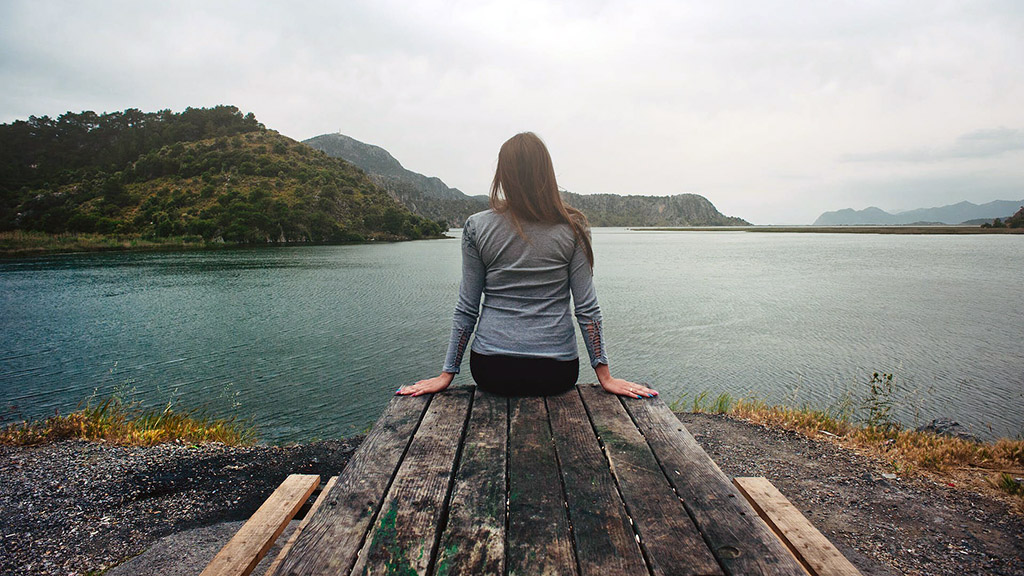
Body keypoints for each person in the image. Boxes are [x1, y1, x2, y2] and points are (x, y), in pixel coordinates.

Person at [397, 132, 657, 399]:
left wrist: (447, 373)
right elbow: (587, 309)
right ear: (546, 172)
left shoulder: (477, 227)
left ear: (503, 175)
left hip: (490, 369)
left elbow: (467, 307)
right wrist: (605, 376)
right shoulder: (573, 228)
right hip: (557, 372)